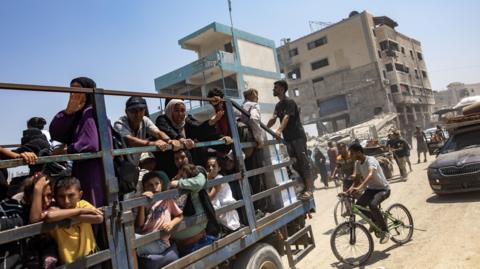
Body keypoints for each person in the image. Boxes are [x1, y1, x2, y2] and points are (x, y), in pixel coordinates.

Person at [49, 77, 106, 207]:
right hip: (82, 167)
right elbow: (56, 133)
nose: (74, 94)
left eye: (78, 90)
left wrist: (67, 150)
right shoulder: (77, 114)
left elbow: (90, 144)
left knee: (92, 206)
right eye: (71, 91)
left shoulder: (89, 112)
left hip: (92, 170)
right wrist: (68, 112)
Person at [155, 99, 232, 178]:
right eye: (176, 110)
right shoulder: (162, 119)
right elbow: (168, 131)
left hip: (189, 165)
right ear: (170, 111)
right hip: (169, 165)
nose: (180, 114)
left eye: (182, 110)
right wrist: (180, 139)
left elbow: (198, 129)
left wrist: (212, 124)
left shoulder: (187, 119)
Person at [267, 80, 314, 200]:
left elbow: (287, 117)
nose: (273, 90)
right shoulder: (278, 105)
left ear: (282, 89)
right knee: (294, 165)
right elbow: (273, 118)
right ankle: (302, 188)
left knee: (303, 163)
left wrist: (279, 130)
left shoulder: (290, 102)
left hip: (297, 137)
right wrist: (264, 128)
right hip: (288, 139)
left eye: (275, 87)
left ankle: (309, 190)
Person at [169, 150, 219, 256]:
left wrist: (178, 183)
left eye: (182, 157)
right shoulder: (176, 177)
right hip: (180, 241)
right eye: (176, 159)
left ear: (189, 157)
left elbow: (198, 183)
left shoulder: (197, 171)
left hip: (197, 232)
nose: (179, 161)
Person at [46, 177, 104, 264]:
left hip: (91, 259)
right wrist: (80, 211)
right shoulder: (54, 209)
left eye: (71, 195)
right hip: (69, 265)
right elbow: (50, 216)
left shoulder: (82, 204)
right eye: (61, 196)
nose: (66, 201)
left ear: (80, 195)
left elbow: (99, 218)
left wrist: (68, 215)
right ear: (55, 197)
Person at [114, 96, 182, 167]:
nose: (138, 114)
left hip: (134, 165)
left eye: (141, 110)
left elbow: (158, 133)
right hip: (120, 166)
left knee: (152, 163)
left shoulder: (144, 120)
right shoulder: (120, 123)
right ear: (126, 112)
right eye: (133, 111)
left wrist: (170, 141)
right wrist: (153, 143)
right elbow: (130, 140)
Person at [135, 171, 183, 268]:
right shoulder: (146, 202)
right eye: (150, 185)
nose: (154, 187)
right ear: (144, 188)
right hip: (146, 238)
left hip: (161, 242)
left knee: (131, 246)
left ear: (161, 185)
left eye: (157, 183)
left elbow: (180, 216)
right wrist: (142, 202)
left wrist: (172, 223)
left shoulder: (167, 199)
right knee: (129, 239)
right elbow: (140, 224)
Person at [347, 143, 391, 244]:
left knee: (373, 205)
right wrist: (350, 189)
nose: (351, 155)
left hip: (383, 189)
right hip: (371, 189)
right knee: (358, 206)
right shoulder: (358, 163)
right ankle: (375, 221)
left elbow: (370, 175)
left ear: (358, 152)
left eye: (352, 153)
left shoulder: (371, 160)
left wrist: (360, 187)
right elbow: (357, 180)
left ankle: (385, 231)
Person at [206, 157, 240, 233]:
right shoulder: (212, 180)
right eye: (208, 167)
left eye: (214, 166)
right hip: (224, 213)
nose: (210, 168)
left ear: (219, 168)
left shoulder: (219, 178)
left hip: (226, 215)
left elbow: (210, 197)